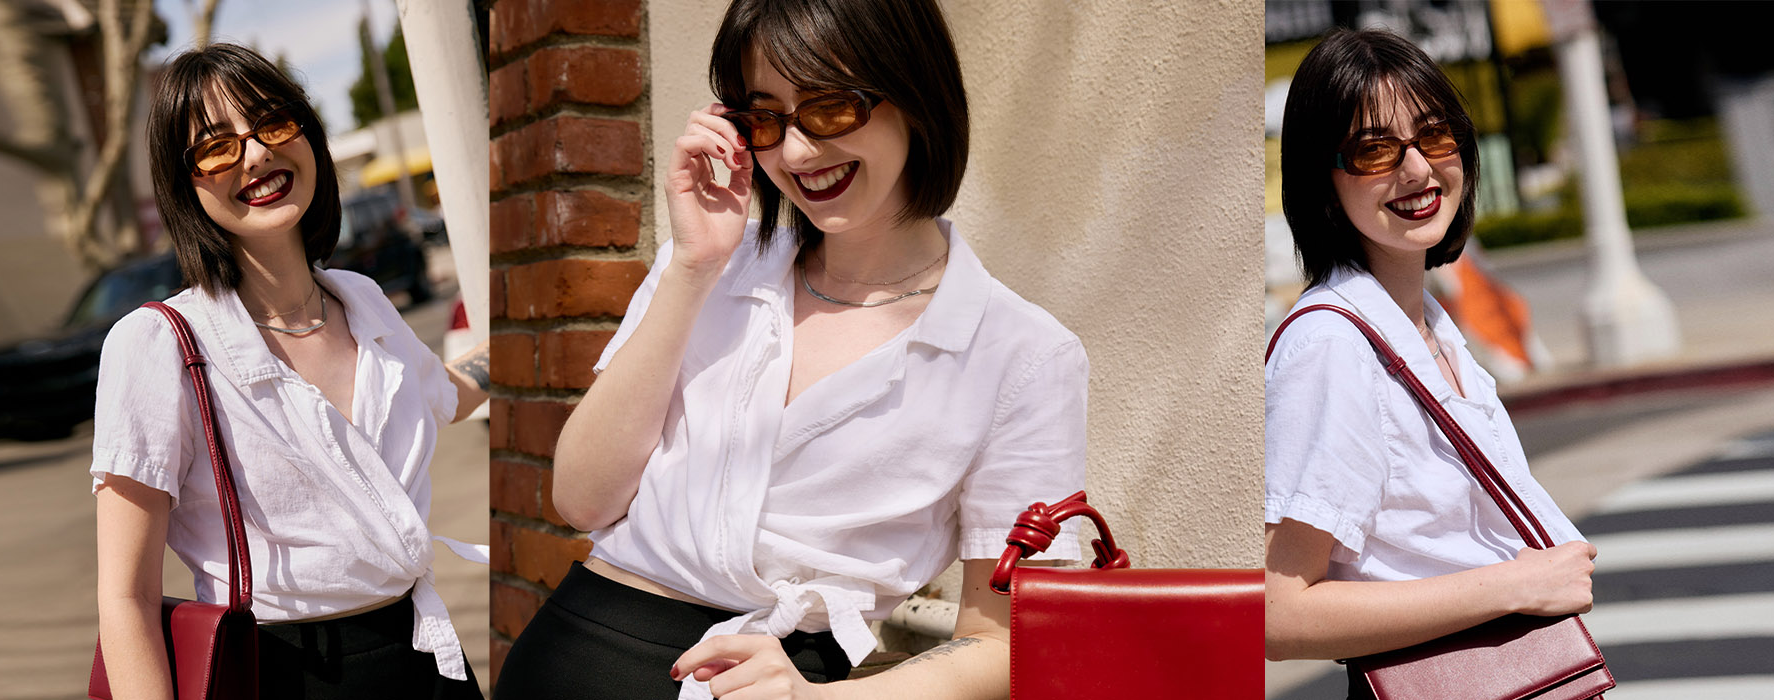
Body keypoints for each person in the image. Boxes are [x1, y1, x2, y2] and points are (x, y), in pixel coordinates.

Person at [493, 0, 1088, 698]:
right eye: (765, 118)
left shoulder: (1020, 354)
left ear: (916, 94)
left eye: (831, 109)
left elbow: (1012, 641)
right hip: (568, 650)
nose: (798, 153)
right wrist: (692, 268)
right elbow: (582, 500)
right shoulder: (713, 267)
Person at [93, 43, 490, 700]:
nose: (255, 156)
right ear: (183, 184)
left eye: (272, 124)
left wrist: (520, 344)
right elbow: (127, 596)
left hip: (426, 658)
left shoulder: (360, 297)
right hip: (281, 673)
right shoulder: (159, 344)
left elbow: (442, 392)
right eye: (217, 147)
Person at [1263, 27, 1598, 695]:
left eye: (1435, 136)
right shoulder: (1333, 346)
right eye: (1374, 150)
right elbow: (1277, 612)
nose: (1417, 170)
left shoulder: (1428, 325)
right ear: (1323, 180)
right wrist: (1515, 584)